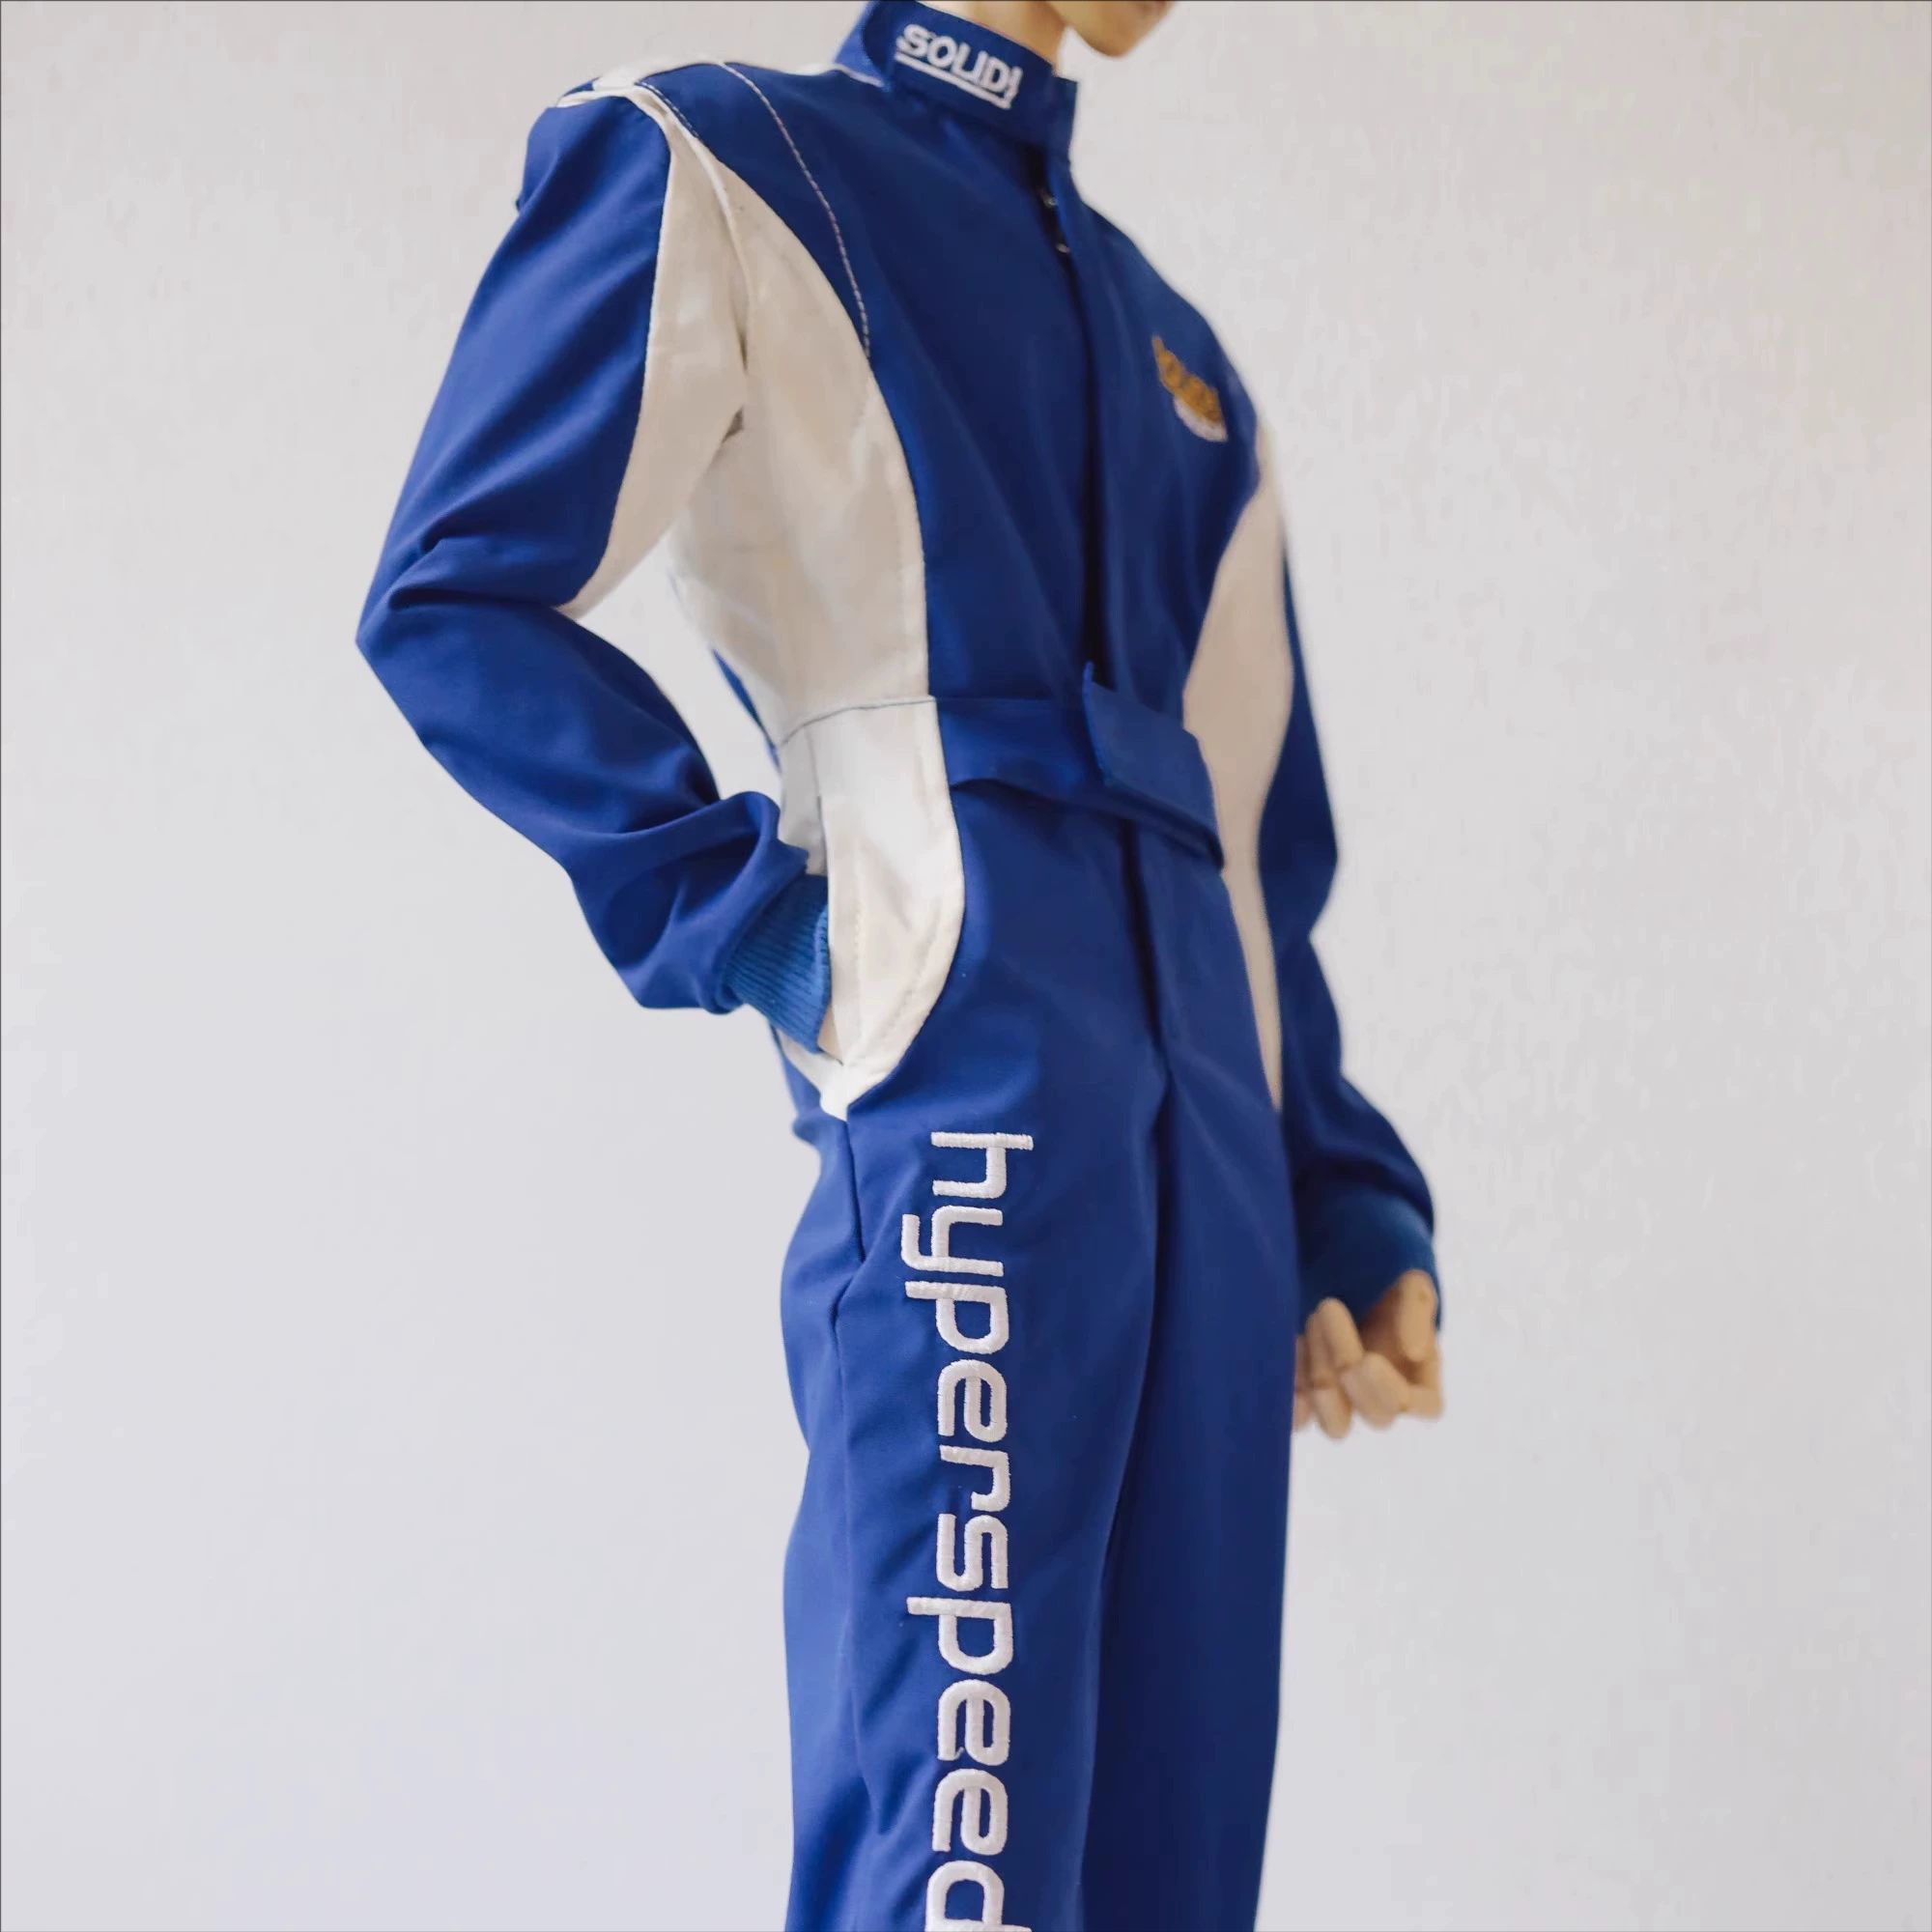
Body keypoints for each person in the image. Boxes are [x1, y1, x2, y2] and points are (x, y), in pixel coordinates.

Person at [357, 3, 1445, 1925]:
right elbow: (454, 595)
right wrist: (757, 922)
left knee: (1181, 1858)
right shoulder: (725, 162)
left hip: (1207, 1145)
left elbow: (1252, 825)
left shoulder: (1185, 363)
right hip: (970, 1089)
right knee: (961, 1835)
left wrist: (1332, 1195)